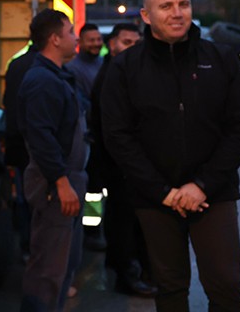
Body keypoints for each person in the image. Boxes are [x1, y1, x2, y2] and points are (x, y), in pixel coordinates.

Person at [101, 0, 240, 311]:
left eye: (183, 4)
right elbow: (118, 136)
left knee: (226, 287)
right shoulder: (124, 68)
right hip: (154, 199)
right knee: (169, 288)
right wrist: (162, 191)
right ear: (146, 15)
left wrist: (202, 185)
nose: (177, 13)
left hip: (214, 194)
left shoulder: (221, 59)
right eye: (166, 6)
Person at [17, 9, 87, 312]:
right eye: (71, 32)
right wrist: (61, 183)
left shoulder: (57, 75)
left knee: (64, 264)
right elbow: (40, 138)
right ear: (56, 39)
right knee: (48, 269)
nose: (76, 38)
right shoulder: (42, 80)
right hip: (55, 186)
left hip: (67, 181)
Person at [87, 23, 156, 297]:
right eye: (126, 42)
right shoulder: (111, 75)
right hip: (118, 164)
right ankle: (126, 275)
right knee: (122, 221)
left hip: (130, 164)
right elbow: (113, 127)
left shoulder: (129, 72)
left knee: (129, 220)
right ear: (112, 43)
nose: (133, 48)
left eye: (136, 43)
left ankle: (132, 269)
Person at [2, 42, 38, 261]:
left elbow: (9, 103)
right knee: (38, 203)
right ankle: (34, 250)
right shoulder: (48, 69)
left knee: (25, 199)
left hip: (17, 143)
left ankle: (26, 247)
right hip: (35, 148)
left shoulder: (16, 64)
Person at [65, 22, 103, 109]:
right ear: (80, 42)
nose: (96, 44)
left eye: (99, 39)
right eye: (91, 40)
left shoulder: (104, 62)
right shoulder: (71, 68)